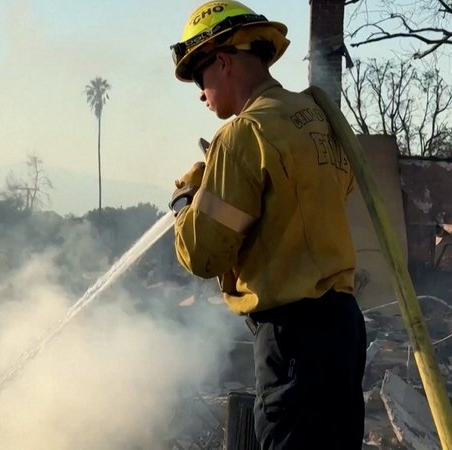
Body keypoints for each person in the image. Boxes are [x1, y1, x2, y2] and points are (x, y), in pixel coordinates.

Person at [167, 2, 367, 449]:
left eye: (199, 77)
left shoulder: (244, 134)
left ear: (222, 61)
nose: (200, 93)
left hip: (292, 339)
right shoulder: (316, 119)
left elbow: (202, 254)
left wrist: (186, 200)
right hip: (344, 330)